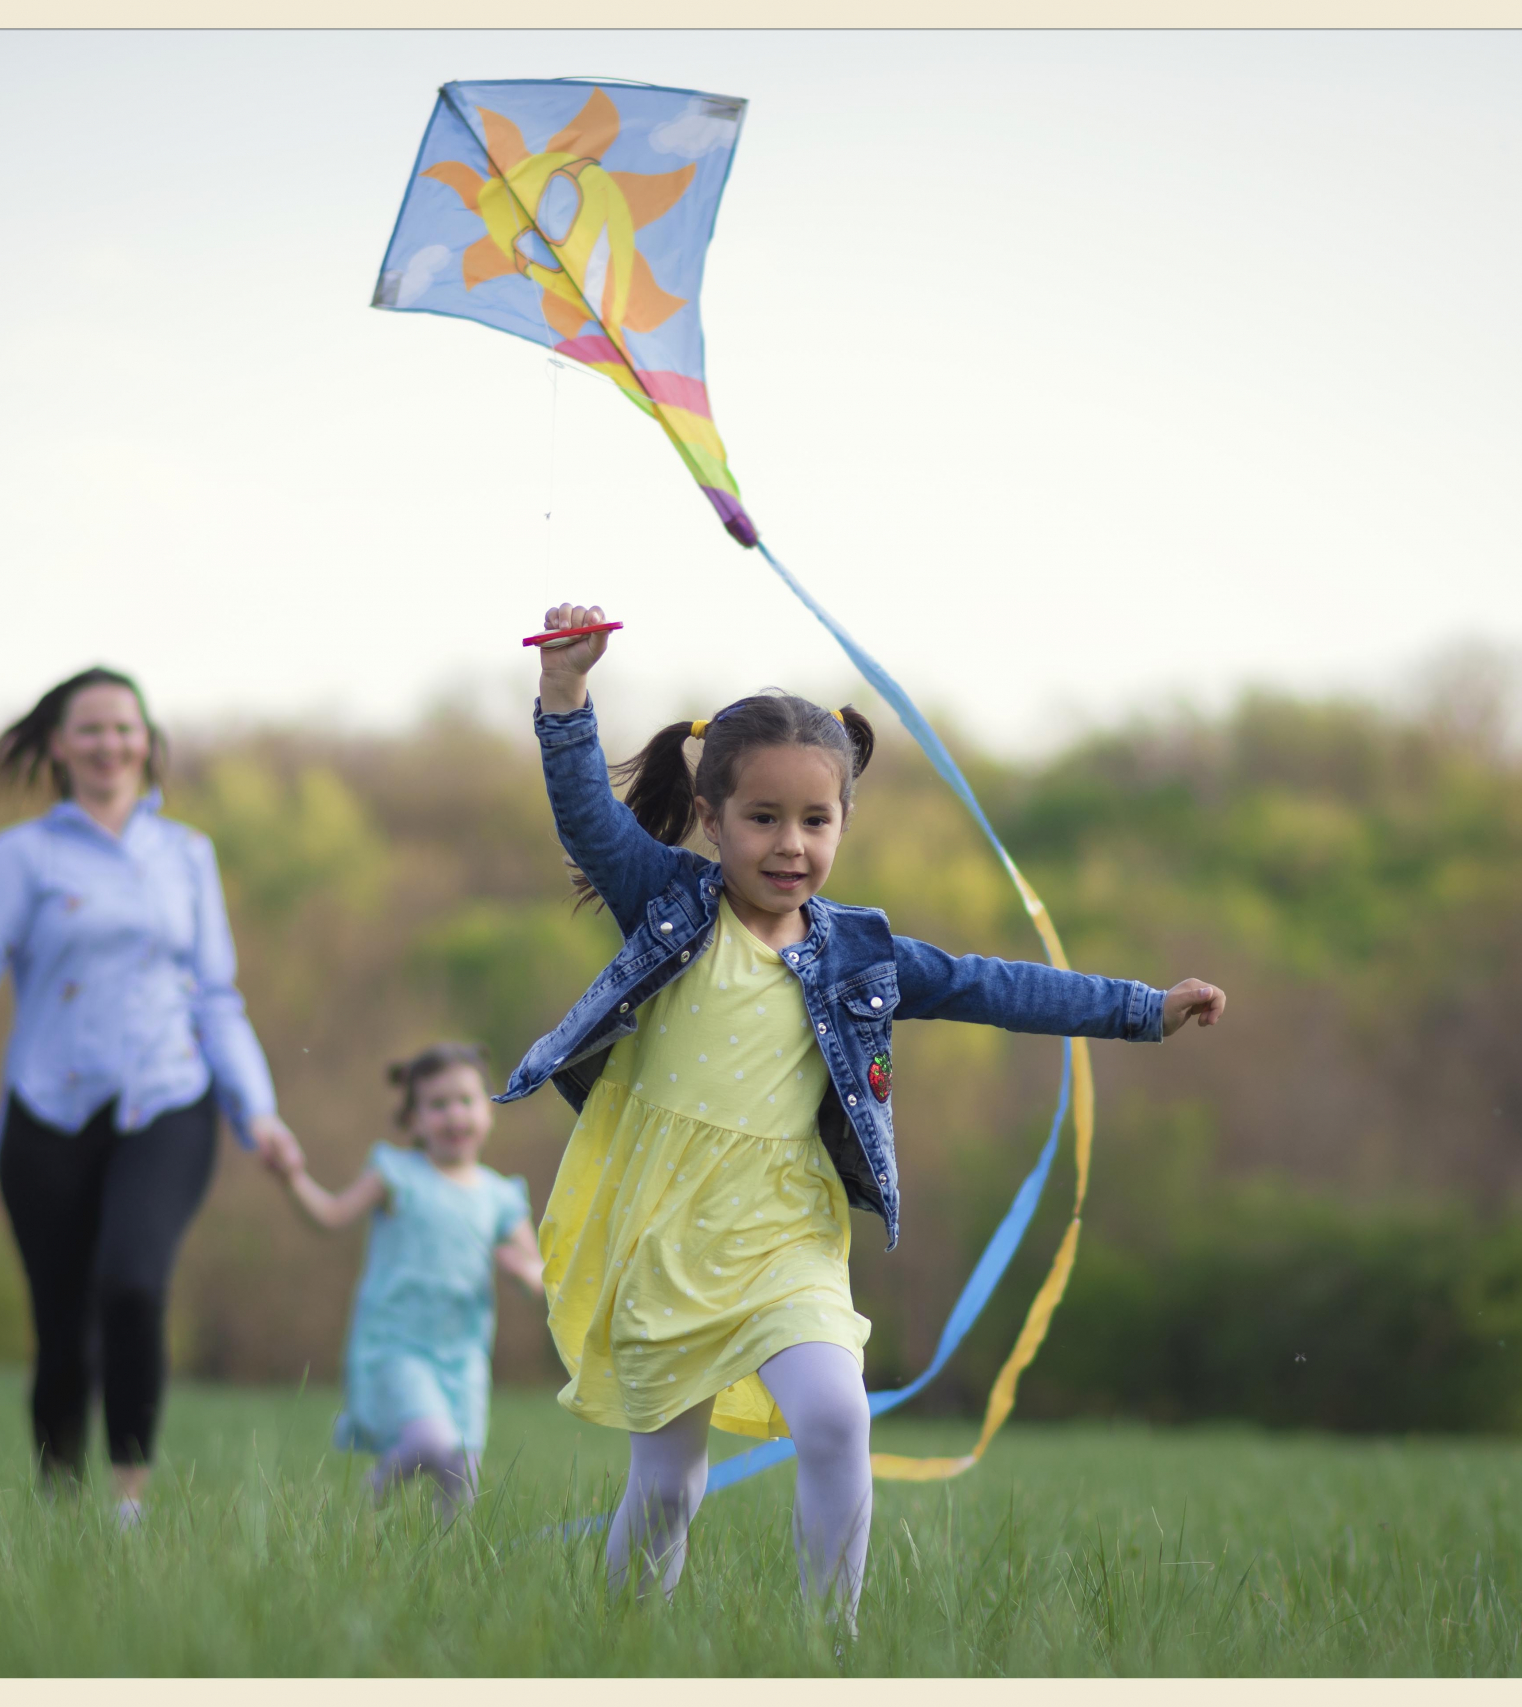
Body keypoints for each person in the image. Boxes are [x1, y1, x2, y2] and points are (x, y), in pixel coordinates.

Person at [503, 604, 1227, 1626]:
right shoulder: (667, 900)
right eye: (762, 819)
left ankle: (825, 1648)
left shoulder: (860, 954)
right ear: (713, 821)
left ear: (844, 821)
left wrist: (1141, 1010)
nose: (790, 845)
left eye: (815, 821)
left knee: (837, 1420)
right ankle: (621, 1650)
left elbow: (989, 986)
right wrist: (566, 692)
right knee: (666, 1486)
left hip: (787, 1229)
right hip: (662, 1228)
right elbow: (586, 817)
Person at [0, 665, 297, 1530]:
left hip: (168, 1099)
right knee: (61, 1330)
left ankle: (128, 1508)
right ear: (57, 745)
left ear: (146, 740)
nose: (110, 744)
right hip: (45, 1114)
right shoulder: (22, 857)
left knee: (132, 1282)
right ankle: (58, 1512)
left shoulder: (187, 855)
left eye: (125, 727)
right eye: (89, 729)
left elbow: (218, 997)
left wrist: (259, 1111)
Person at [259, 1042, 542, 1521]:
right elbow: (331, 1216)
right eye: (437, 1105)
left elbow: (537, 1276)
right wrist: (293, 1179)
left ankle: (443, 1570)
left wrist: (526, 1275)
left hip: (465, 1356)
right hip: (397, 1346)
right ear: (413, 1122)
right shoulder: (397, 1175)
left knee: (461, 1474)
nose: (454, 1115)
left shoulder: (501, 1197)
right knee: (430, 1442)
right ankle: (355, 1513)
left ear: (489, 1111)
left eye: (466, 1101)